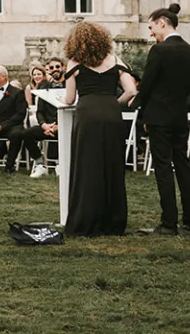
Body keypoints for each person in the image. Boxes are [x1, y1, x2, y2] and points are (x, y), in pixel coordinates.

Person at [62, 21, 138, 236]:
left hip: (87, 114)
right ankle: (113, 221)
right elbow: (131, 90)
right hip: (111, 113)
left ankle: (86, 220)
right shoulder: (115, 60)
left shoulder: (74, 62)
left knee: (87, 167)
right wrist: (115, 102)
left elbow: (69, 99)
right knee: (112, 165)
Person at [132, 3, 190, 234]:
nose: (151, 33)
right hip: (180, 115)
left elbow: (148, 83)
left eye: (151, 27)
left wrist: (137, 102)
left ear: (162, 22)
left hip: (159, 116)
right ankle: (189, 218)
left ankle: (169, 222)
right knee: (183, 165)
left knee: (162, 167)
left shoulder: (159, 51)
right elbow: (187, 85)